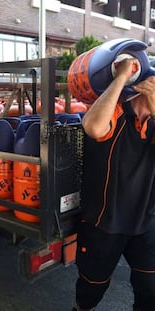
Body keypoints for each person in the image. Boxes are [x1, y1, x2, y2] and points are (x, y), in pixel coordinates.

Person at [73, 58, 155, 311]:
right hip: (104, 223)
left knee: (150, 291)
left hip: (147, 223)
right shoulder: (116, 111)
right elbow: (94, 127)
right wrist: (121, 77)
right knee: (92, 288)